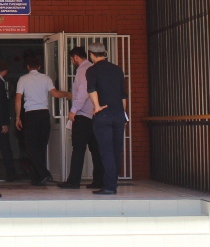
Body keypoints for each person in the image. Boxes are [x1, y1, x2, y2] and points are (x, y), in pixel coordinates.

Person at [14, 55, 68, 186]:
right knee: (41, 146)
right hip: (44, 114)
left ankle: (43, 174)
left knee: (30, 146)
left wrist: (18, 117)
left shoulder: (23, 79)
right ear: (39, 67)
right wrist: (67, 94)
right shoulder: (46, 78)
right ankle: (37, 178)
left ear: (28, 67)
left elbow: (18, 98)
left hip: (30, 115)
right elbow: (55, 94)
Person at [85, 42, 128, 195]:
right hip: (118, 114)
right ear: (105, 53)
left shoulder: (92, 70)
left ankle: (109, 186)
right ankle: (112, 184)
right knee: (116, 151)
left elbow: (91, 89)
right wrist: (122, 113)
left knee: (106, 151)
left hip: (103, 114)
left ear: (91, 55)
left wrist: (97, 107)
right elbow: (123, 95)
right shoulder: (117, 69)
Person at [59, 47, 104, 190]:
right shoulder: (94, 69)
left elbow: (83, 93)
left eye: (72, 59)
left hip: (83, 116)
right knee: (96, 151)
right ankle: (99, 180)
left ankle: (73, 181)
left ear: (76, 57)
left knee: (78, 150)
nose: (72, 62)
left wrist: (73, 110)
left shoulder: (82, 71)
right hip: (95, 115)